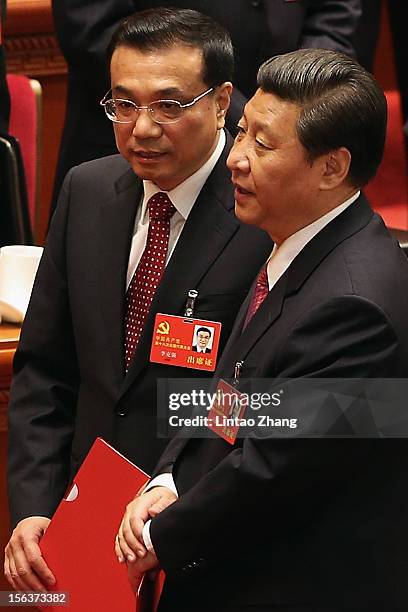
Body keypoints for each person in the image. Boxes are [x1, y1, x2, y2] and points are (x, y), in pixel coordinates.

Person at [116, 49, 408, 611]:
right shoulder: (293, 241)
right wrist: (172, 477)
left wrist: (163, 534)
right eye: (242, 132)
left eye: (264, 145)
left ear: (332, 168)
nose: (236, 159)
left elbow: (276, 468)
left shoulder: (355, 305)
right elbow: (246, 398)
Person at [4, 8, 272, 592]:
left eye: (169, 106)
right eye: (124, 105)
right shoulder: (86, 187)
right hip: (78, 521)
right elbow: (46, 369)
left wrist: (176, 485)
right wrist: (33, 505)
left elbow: (266, 397)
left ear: (223, 101)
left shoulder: (267, 212)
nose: (142, 128)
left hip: (201, 530)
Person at [50, 0, 362, 214]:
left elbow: (334, 14)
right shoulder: (86, 188)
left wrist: (297, 99)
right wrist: (249, 115)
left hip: (292, 142)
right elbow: (92, 24)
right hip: (133, 150)